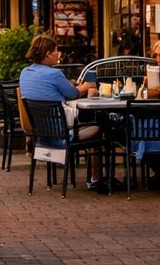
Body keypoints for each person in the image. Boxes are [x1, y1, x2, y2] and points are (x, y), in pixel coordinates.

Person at [18, 34, 104, 189]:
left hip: (42, 131)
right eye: (56, 51)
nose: (59, 54)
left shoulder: (25, 72)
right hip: (64, 130)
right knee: (101, 126)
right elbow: (72, 93)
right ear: (47, 54)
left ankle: (88, 177)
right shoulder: (54, 73)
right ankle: (96, 179)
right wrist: (86, 87)